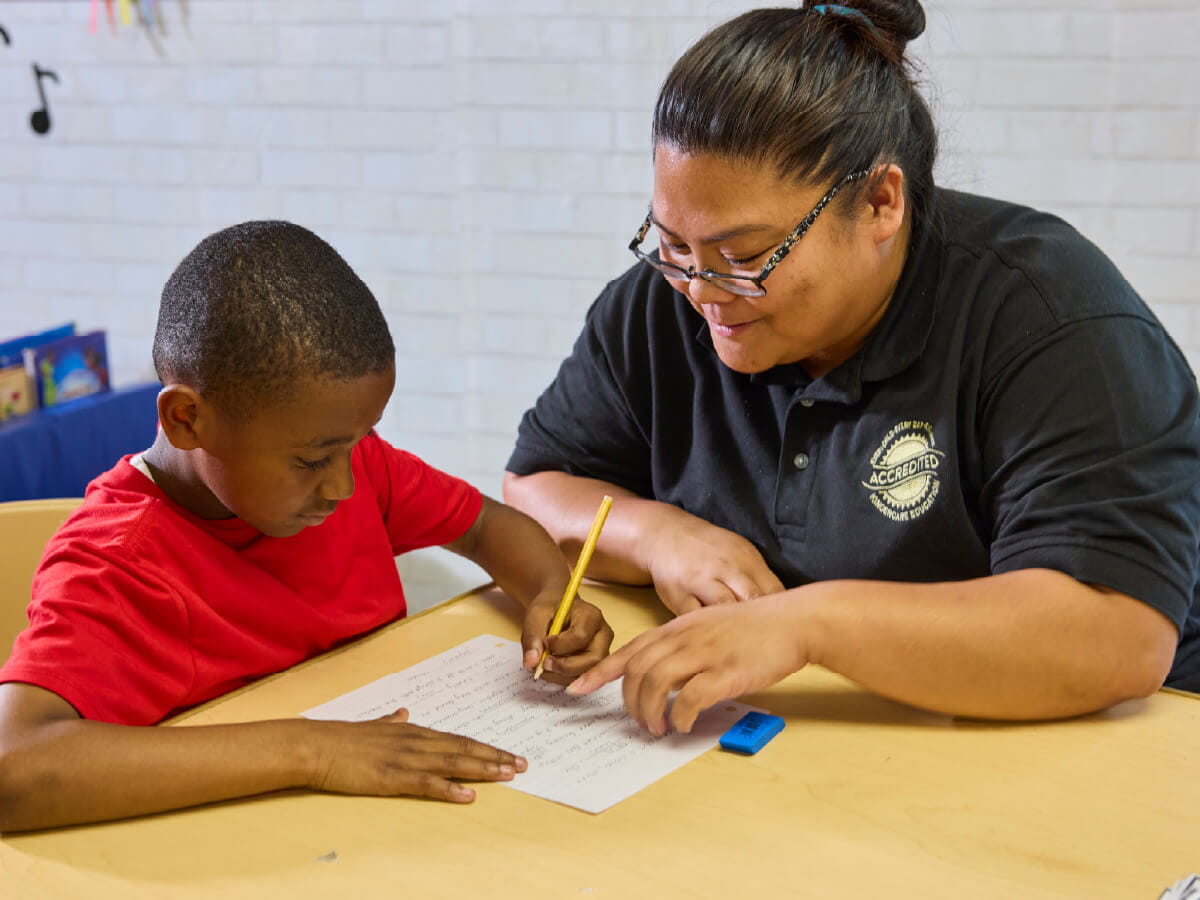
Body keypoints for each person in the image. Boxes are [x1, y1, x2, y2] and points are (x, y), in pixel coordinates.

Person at [504, 0, 1200, 733]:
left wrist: (805, 626)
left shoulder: (1048, 317)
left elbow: (1117, 638)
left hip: (1106, 745)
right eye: (672, 243)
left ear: (880, 202)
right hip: (816, 739)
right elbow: (533, 488)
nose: (701, 293)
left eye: (744, 256)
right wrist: (660, 536)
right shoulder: (664, 303)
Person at [0, 221, 613, 832]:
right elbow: (14, 767)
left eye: (359, 440)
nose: (344, 487)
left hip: (381, 826)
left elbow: (484, 526)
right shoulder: (118, 562)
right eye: (312, 460)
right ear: (188, 419)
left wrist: (550, 592)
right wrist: (311, 751)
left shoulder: (353, 468)